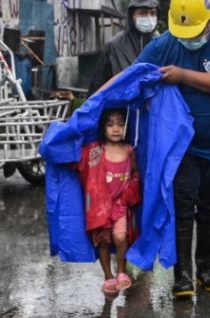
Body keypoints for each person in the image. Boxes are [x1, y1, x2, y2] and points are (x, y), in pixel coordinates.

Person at [134, 0, 210, 298]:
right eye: (183, 33)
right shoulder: (166, 43)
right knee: (181, 206)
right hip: (182, 149)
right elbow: (134, 76)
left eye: (195, 32)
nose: (189, 39)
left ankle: (207, 270)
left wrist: (182, 75)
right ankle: (182, 276)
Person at [76, 108, 141, 294]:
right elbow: (75, 160)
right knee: (103, 242)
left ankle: (121, 271)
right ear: (102, 127)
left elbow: (135, 175)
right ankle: (108, 276)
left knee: (121, 237)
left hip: (120, 206)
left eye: (121, 125)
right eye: (110, 124)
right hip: (99, 208)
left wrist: (124, 200)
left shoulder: (129, 150)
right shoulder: (95, 151)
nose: (116, 129)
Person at [88, 0, 159, 96]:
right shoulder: (114, 46)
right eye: (142, 13)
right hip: (122, 109)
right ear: (131, 16)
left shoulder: (161, 44)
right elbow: (99, 85)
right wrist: (110, 111)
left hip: (153, 109)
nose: (148, 17)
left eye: (152, 13)